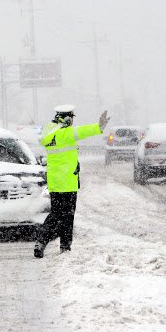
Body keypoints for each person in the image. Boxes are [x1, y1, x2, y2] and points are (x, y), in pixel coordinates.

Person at [34, 104, 111, 258]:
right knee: (67, 216)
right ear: (67, 118)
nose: (73, 120)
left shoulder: (49, 130)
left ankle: (41, 241)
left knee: (55, 214)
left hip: (55, 182)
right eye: (72, 117)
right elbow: (83, 131)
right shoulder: (67, 133)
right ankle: (65, 247)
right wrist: (99, 127)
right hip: (68, 181)